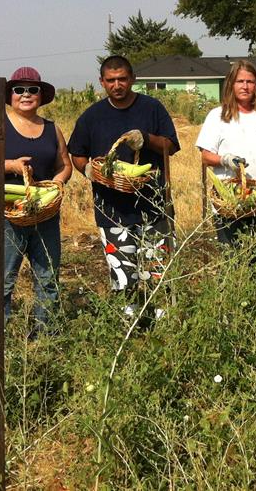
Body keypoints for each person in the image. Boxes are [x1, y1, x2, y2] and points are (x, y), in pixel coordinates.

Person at [68, 56, 180, 320]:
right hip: (111, 210)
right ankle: (128, 321)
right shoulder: (92, 116)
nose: (117, 85)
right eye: (111, 80)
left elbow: (171, 146)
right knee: (122, 272)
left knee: (157, 269)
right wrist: (88, 171)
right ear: (102, 82)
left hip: (153, 206)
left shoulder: (152, 109)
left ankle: (159, 318)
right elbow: (77, 154)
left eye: (122, 79)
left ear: (132, 79)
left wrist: (147, 139)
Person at [0, 67, 72, 335]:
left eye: (32, 90)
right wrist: (11, 166)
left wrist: (58, 182)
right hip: (8, 214)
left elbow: (65, 164)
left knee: (48, 276)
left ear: (41, 95)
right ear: (10, 95)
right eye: (19, 90)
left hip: (44, 213)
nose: (26, 95)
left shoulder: (52, 128)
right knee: (3, 279)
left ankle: (45, 334)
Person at [197, 60, 256, 285]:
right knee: (231, 259)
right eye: (240, 81)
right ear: (231, 84)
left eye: (250, 82)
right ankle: (231, 312)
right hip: (230, 203)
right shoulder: (218, 116)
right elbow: (206, 156)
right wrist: (226, 160)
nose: (245, 86)